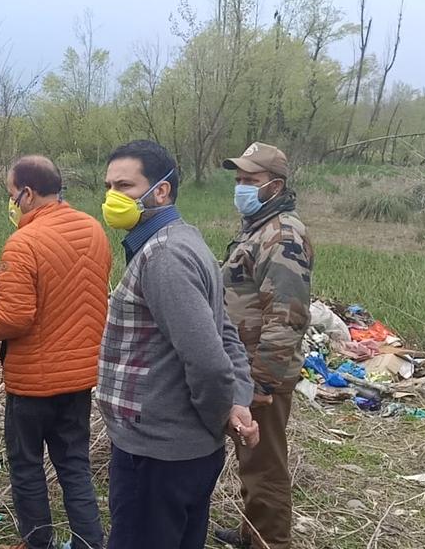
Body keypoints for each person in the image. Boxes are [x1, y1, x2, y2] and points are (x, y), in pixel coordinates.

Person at [96, 139, 260, 549]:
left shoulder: (165, 257)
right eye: (109, 187)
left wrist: (219, 415)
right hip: (179, 450)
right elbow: (224, 333)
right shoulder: (183, 240)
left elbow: (208, 361)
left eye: (125, 187)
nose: (112, 198)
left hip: (158, 453)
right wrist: (238, 401)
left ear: (161, 191)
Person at [0, 156, 110, 549]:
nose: (11, 203)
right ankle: (89, 542)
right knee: (75, 466)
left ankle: (36, 541)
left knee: (27, 466)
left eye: (11, 195)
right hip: (80, 377)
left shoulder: (24, 242)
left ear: (27, 194)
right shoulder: (93, 230)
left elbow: (15, 318)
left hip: (32, 381)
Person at [214, 143, 313, 549]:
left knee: (264, 465)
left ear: (274, 186)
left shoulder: (283, 234)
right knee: (250, 460)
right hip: (243, 365)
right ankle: (251, 532)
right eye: (238, 180)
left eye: (249, 181)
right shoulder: (258, 227)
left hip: (261, 372)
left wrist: (260, 383)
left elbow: (287, 316)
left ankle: (269, 542)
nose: (241, 188)